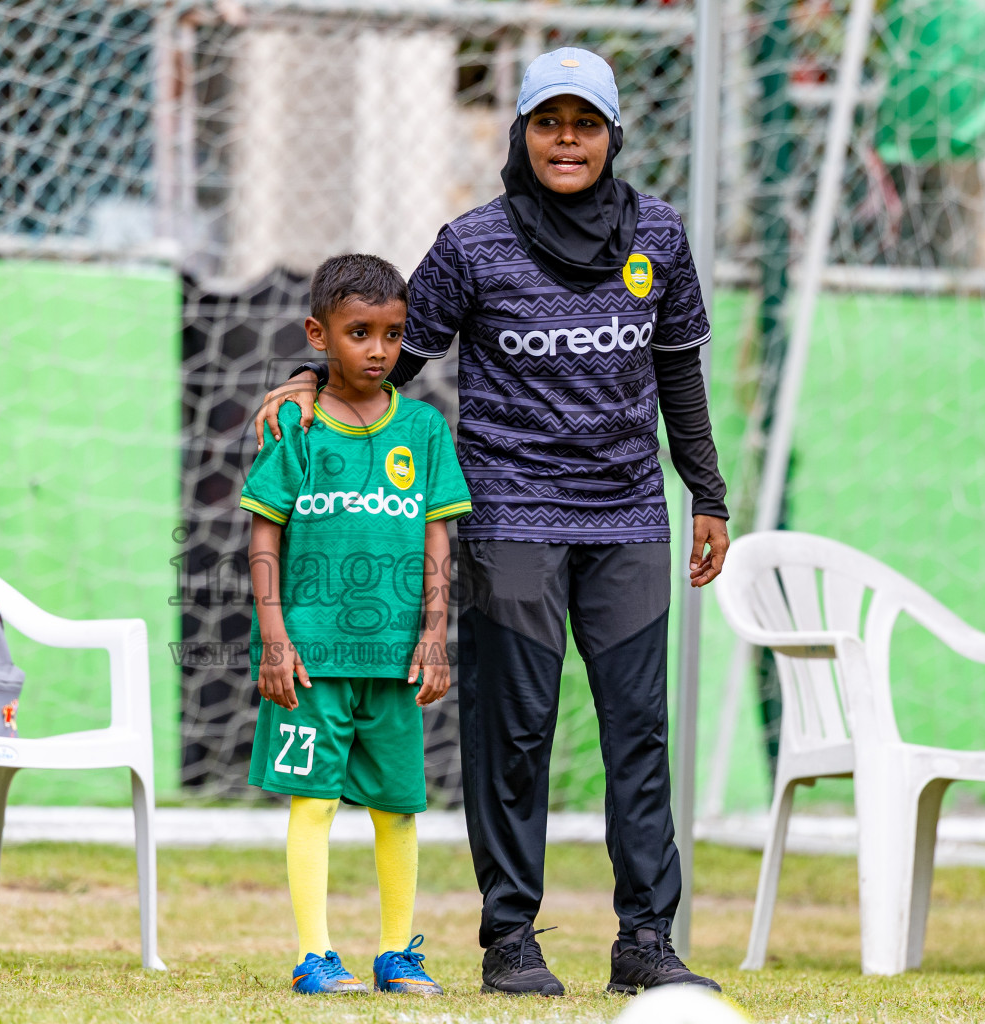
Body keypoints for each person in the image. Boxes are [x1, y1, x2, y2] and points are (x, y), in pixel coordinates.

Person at [251, 50, 729, 995]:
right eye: (547, 123)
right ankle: (511, 940)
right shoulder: (473, 243)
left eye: (584, 124)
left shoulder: (661, 239)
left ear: (611, 136)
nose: (566, 140)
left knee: (638, 729)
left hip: (631, 517)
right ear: (520, 133)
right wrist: (307, 385)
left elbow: (679, 370)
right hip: (512, 518)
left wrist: (705, 492)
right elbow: (393, 349)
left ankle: (647, 942)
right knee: (516, 729)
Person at [242, 255, 472, 996]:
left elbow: (440, 538)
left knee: (398, 806)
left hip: (397, 657)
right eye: (359, 333)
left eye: (394, 334)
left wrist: (434, 634)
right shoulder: (295, 426)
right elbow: (263, 538)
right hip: (310, 658)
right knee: (314, 801)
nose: (379, 350)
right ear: (319, 334)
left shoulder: (426, 430)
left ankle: (397, 951)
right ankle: (316, 955)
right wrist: (275, 640)